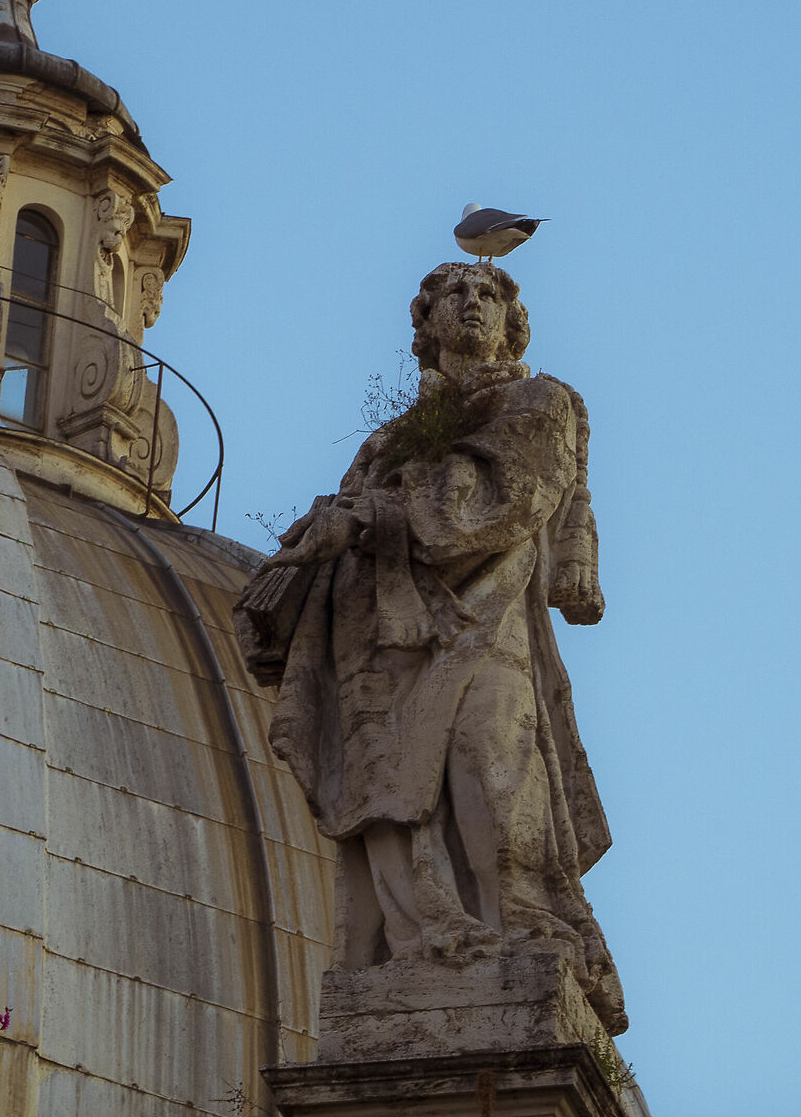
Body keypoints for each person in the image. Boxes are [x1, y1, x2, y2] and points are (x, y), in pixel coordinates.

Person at [239, 261, 625, 1032]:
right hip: (378, 636)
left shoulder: (538, 403)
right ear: (426, 324)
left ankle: (522, 919)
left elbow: (504, 495)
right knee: (386, 784)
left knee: (493, 761)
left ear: (513, 324)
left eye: (488, 295)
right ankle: (426, 930)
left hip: (485, 622)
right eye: (455, 294)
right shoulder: (387, 442)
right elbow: (359, 514)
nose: (472, 303)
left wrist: (370, 518)